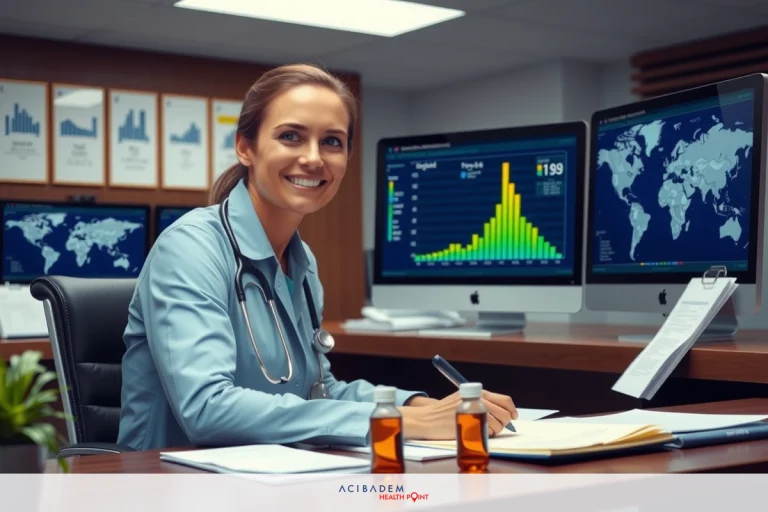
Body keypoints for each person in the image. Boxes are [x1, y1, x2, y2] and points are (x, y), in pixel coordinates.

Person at [117, 63, 518, 451]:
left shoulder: (302, 261)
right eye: (291, 136)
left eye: (332, 141)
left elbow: (319, 391)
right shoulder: (191, 248)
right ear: (245, 147)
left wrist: (417, 405)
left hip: (271, 476)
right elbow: (206, 408)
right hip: (173, 482)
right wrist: (400, 424)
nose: (314, 158)